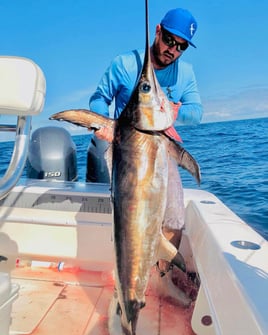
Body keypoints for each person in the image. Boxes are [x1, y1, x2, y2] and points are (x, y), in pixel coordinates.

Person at [89, 8, 203, 304]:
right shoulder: (125, 64)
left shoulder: (185, 73)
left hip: (161, 147)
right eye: (169, 40)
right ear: (157, 31)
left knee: (175, 218)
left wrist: (177, 111)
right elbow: (99, 98)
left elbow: (196, 111)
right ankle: (127, 280)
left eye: (181, 46)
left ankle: (161, 279)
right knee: (130, 219)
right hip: (125, 148)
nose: (172, 50)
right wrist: (102, 123)